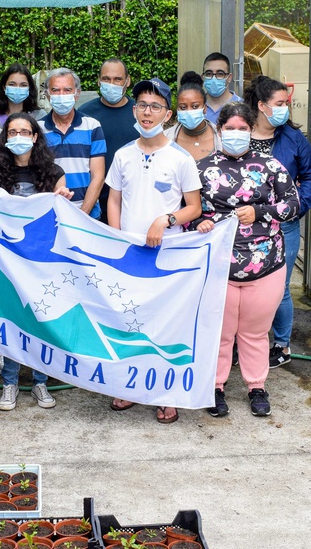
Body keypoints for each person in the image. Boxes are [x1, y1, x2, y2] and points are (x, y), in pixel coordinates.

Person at [192, 102, 299, 418]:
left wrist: (261, 211)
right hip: (218, 266)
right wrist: (198, 222)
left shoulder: (271, 167)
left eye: (242, 128)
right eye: (230, 128)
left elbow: (293, 204)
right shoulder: (200, 168)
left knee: (254, 332)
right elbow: (188, 210)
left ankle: (256, 386)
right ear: (219, 130)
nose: (236, 134)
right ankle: (215, 386)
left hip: (265, 264)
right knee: (220, 332)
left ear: (251, 131)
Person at [106, 78, 202, 424]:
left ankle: (166, 393)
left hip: (167, 255)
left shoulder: (180, 158)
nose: (148, 112)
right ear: (135, 110)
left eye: (156, 106)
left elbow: (194, 206)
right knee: (128, 321)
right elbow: (114, 198)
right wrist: (117, 238)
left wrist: (166, 219)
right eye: (143, 105)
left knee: (164, 324)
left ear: (168, 114)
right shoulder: (123, 155)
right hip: (129, 255)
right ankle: (129, 387)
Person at [0, 113, 74, 411]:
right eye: (12, 132)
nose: (18, 137)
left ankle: (40, 381)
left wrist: (62, 197)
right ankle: (9, 382)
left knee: (42, 319)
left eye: (25, 131)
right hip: (10, 261)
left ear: (36, 136)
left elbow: (62, 217)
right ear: (5, 137)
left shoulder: (53, 172)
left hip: (43, 262)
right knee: (13, 320)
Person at [244, 76, 311, 368]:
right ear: (261, 106)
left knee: (280, 288)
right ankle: (242, 341)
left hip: (284, 225)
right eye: (280, 104)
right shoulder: (239, 131)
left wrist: (299, 207)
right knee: (243, 284)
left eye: (286, 103)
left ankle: (281, 345)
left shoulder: (294, 138)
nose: (285, 109)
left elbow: (308, 176)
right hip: (245, 226)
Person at [40, 67, 106, 219]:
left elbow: (98, 176)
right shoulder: (38, 129)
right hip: (51, 214)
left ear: (77, 94)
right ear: (48, 95)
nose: (61, 95)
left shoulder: (92, 126)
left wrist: (82, 215)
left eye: (67, 90)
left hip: (88, 215)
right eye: (55, 90)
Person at [79, 58, 137, 223]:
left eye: (117, 79)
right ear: (98, 81)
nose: (111, 84)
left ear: (127, 81)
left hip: (129, 202)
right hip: (92, 202)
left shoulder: (139, 113)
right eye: (106, 79)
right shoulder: (85, 113)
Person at [164, 71, 222, 162]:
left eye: (195, 106)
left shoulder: (221, 138)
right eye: (183, 107)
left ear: (205, 108)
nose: (189, 111)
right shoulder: (165, 138)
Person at [0, 63, 44, 128]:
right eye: (12, 84)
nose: (17, 89)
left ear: (29, 88)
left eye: (23, 85)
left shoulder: (40, 116)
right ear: (4, 87)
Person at [202, 52, 242, 125]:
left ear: (229, 78)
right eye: (209, 73)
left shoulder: (242, 106)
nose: (214, 79)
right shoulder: (195, 107)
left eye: (220, 74)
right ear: (203, 77)